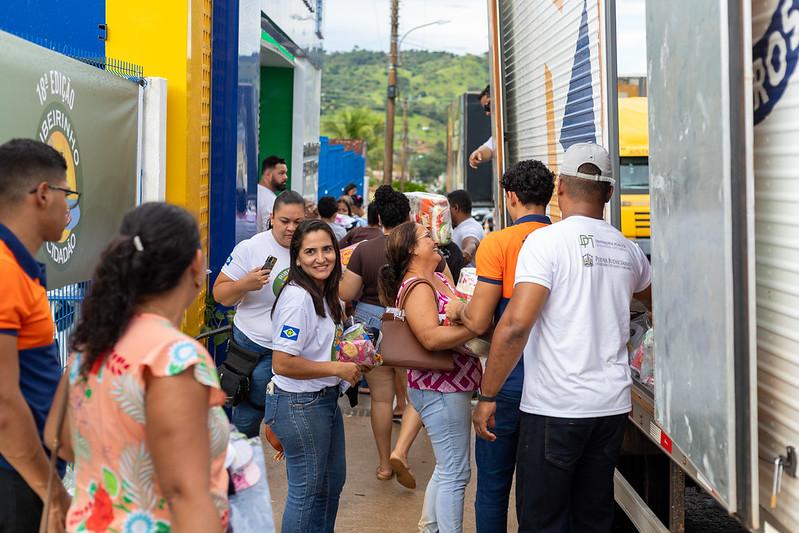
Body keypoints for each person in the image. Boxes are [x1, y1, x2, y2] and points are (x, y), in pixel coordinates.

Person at [473, 143, 652, 532]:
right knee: (592, 517)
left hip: (555, 409)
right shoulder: (628, 250)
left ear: (560, 189)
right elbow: (656, 299)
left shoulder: (545, 242)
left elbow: (516, 325)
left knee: (543, 521)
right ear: (609, 193)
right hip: (609, 408)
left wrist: (487, 396)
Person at [45, 202, 230, 532]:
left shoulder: (93, 343)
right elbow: (184, 492)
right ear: (196, 265)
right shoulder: (173, 358)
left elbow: (58, 437)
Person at [445, 159, 554, 533]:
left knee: (492, 486)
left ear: (511, 197)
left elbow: (479, 321)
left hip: (506, 381)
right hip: (553, 387)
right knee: (537, 492)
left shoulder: (499, 243)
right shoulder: (561, 241)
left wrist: (458, 309)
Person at [379, 221, 481, 533]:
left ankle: (431, 528)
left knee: (448, 466)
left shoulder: (434, 278)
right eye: (426, 237)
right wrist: (474, 327)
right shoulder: (418, 286)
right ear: (411, 249)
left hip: (447, 385)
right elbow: (431, 338)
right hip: (440, 388)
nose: (434, 241)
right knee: (456, 472)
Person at [265, 219, 361, 533]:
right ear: (297, 258)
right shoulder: (297, 299)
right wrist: (336, 368)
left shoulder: (324, 293)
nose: (320, 258)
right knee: (306, 493)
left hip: (323, 400)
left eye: (326, 249)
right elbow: (282, 363)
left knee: (331, 483)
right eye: (310, 252)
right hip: (299, 405)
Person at [0, 139, 71, 532]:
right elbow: (3, 406)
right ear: (43, 194)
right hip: (15, 480)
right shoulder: (5, 269)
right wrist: (53, 492)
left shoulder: (15, 266)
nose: (69, 207)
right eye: (67, 194)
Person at [340, 185, 419, 483]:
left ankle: (385, 464)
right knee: (416, 395)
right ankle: (403, 451)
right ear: (408, 216)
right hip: (411, 322)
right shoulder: (418, 248)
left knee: (382, 400)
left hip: (370, 325)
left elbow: (347, 292)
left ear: (378, 219)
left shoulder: (364, 250)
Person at [213, 191, 305, 437]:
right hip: (252, 345)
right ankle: (242, 464)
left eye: (298, 222)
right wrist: (244, 284)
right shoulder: (251, 248)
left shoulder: (309, 248)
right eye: (285, 221)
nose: (291, 228)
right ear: (272, 217)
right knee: (250, 411)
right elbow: (220, 295)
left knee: (287, 413)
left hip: (291, 346)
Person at [448, 189, 484, 266]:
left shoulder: (469, 227)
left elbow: (471, 242)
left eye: (448, 208)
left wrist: (467, 252)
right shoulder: (466, 225)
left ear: (455, 208)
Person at [257, 155, 288, 232]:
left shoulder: (256, 192)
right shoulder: (269, 199)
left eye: (285, 173)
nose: (286, 177)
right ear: (268, 175)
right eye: (281, 173)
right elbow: (268, 232)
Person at [469, 85, 494, 169]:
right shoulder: (503, 128)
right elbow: (491, 148)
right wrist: (479, 153)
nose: (487, 113)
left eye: (487, 107)